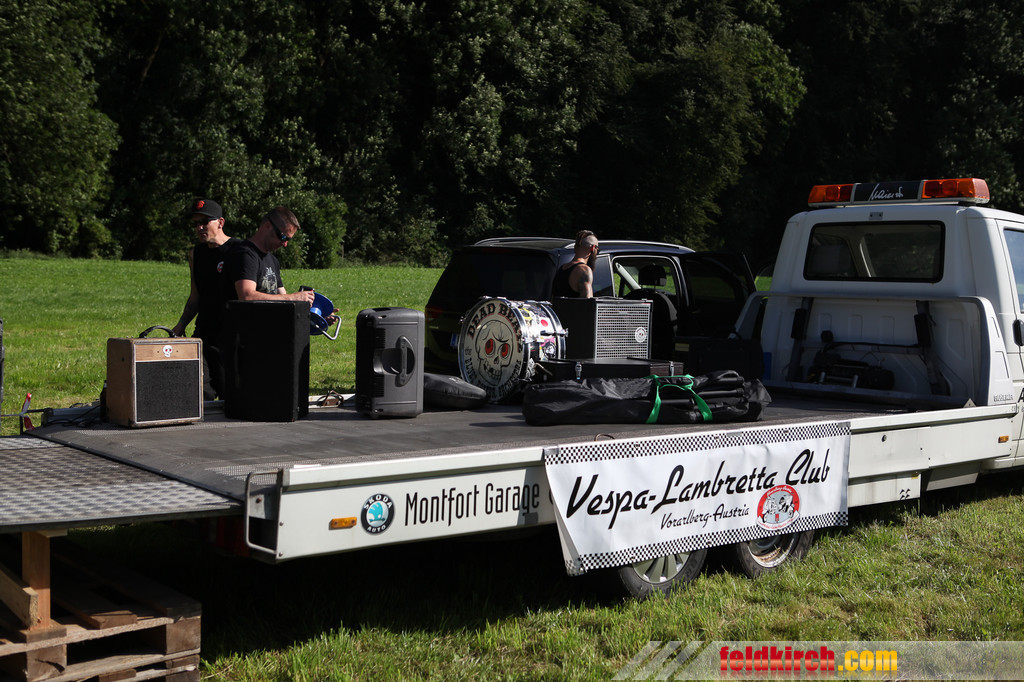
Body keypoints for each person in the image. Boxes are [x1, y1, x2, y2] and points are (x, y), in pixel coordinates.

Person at [171, 198, 240, 400]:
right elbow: (195, 297)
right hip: (203, 336)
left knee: (229, 399)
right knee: (199, 396)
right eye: (195, 224)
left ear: (220, 222)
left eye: (204, 222)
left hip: (231, 339)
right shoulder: (196, 254)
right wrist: (180, 326)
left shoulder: (239, 250)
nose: (199, 227)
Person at [225, 206, 316, 305]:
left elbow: (283, 297)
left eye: (288, 239)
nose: (285, 244)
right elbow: (246, 296)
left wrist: (307, 305)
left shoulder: (273, 260)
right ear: (268, 226)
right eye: (283, 237)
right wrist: (293, 297)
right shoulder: (245, 254)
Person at [551, 229, 598, 298]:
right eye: (597, 248)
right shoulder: (584, 270)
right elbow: (587, 301)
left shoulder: (562, 268)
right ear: (593, 248)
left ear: (575, 247)